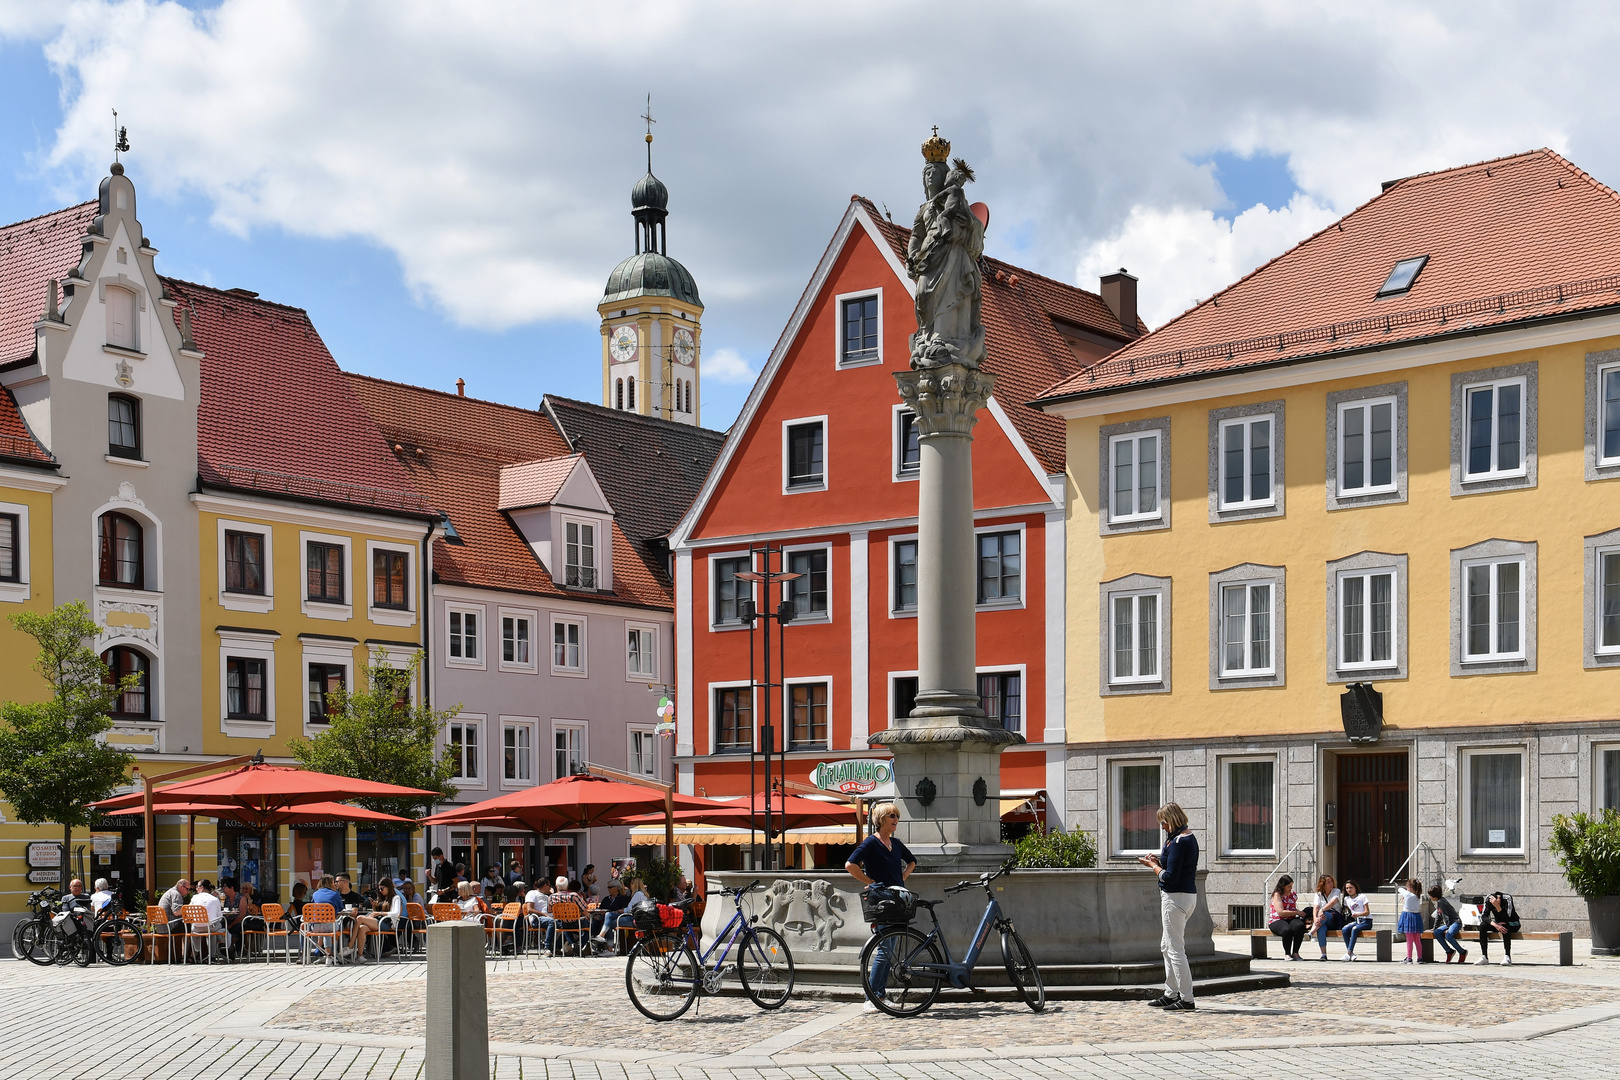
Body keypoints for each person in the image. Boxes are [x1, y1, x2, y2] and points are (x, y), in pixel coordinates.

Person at [844, 800, 917, 1013]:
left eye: (896, 816)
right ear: (881, 820)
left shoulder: (896, 844)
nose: (896, 820)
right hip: (880, 901)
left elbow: (912, 861)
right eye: (891, 816)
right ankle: (871, 998)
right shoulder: (871, 843)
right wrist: (870, 882)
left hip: (896, 899)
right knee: (885, 950)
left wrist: (902, 877)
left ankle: (880, 995)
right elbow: (850, 865)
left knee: (891, 949)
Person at [1138, 802, 1199, 1012]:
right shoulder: (1185, 838)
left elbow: (1170, 877)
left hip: (1175, 898)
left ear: (1171, 820)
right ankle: (1170, 993)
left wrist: (1152, 866)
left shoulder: (1179, 841)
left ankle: (1187, 998)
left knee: (1175, 949)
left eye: (1163, 822)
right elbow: (1176, 866)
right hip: (1187, 896)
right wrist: (1159, 860)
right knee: (1167, 945)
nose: (1162, 826)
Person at [1268, 875, 1307, 961]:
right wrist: (1297, 912)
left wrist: (1299, 912)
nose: (1290, 888)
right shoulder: (1277, 894)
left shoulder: (1292, 894)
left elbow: (1292, 908)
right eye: (1288, 886)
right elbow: (1281, 912)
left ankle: (1296, 952)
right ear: (1282, 886)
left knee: (1299, 926)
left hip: (1291, 918)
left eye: (1291, 886)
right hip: (1277, 920)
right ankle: (1287, 953)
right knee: (1287, 930)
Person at [1477, 891, 1520, 965]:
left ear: (1499, 898)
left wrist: (1498, 906)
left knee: (1505, 925)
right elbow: (1484, 916)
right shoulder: (1488, 899)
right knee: (1483, 925)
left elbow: (1507, 918)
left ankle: (1507, 956)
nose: (1495, 910)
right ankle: (1484, 956)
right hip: (1498, 924)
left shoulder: (1507, 898)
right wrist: (1495, 924)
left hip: (1513, 924)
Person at [1308, 874, 1344, 961]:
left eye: (1331, 881)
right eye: (1328, 882)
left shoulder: (1336, 891)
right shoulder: (1318, 894)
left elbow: (1333, 902)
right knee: (1321, 928)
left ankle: (1311, 933)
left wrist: (1322, 910)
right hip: (1323, 919)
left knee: (1323, 916)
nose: (1331, 883)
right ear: (1322, 884)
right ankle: (1323, 954)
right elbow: (1316, 907)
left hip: (1335, 918)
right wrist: (1315, 918)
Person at [191, 880, 229, 960]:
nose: (196, 889)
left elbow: (190, 911)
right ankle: (216, 949)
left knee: (212, 928)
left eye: (197, 887)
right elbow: (220, 916)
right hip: (211, 927)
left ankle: (196, 951)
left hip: (196, 928)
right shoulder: (215, 899)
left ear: (201, 888)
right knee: (216, 928)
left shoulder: (194, 898)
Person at [1429, 885, 1467, 963]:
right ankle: (1449, 951)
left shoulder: (1441, 902)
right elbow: (1439, 916)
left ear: (1434, 896)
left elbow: (1446, 916)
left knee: (1448, 935)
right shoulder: (1439, 902)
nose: (1430, 897)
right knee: (1437, 932)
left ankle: (1462, 952)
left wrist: (1448, 928)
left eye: (1430, 896)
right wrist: (1434, 928)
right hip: (1449, 923)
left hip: (1456, 922)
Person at [552, 876, 589, 955]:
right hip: (577, 922)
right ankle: (579, 945)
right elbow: (584, 909)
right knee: (590, 928)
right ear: (567, 885)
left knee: (565, 924)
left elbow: (550, 910)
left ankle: (572, 944)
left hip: (563, 923)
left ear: (556, 886)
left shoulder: (552, 897)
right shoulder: (574, 896)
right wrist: (588, 916)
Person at [591, 881, 632, 953]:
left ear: (617, 888)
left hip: (617, 917)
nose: (608, 889)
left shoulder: (622, 898)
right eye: (608, 887)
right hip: (604, 918)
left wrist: (614, 912)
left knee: (608, 920)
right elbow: (601, 908)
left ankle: (604, 942)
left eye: (610, 887)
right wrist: (600, 912)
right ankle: (596, 944)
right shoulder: (606, 899)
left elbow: (624, 910)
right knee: (595, 923)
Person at [1340, 880, 1373, 961]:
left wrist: (1358, 914)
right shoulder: (1346, 899)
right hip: (1357, 921)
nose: (1349, 890)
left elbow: (1367, 912)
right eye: (1347, 888)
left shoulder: (1362, 897)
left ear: (1355, 888)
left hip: (1366, 921)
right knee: (1344, 929)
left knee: (1354, 929)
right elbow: (1345, 910)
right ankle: (1351, 953)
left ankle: (1348, 953)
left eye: (1351, 888)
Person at [1396, 878, 1424, 963]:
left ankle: (1409, 957)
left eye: (1407, 886)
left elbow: (1399, 889)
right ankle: (1420, 957)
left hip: (1408, 917)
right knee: (1417, 939)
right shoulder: (1417, 896)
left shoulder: (1408, 894)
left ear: (1410, 887)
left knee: (1409, 939)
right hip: (1416, 917)